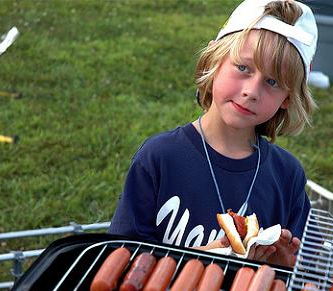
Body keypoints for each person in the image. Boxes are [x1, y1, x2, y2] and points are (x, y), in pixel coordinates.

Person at [109, 0, 318, 268]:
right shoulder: (160, 158)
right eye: (243, 68)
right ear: (214, 59)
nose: (251, 91)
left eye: (272, 82)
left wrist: (283, 266)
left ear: (287, 98)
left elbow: (307, 272)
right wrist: (205, 256)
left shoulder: (287, 175)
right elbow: (119, 260)